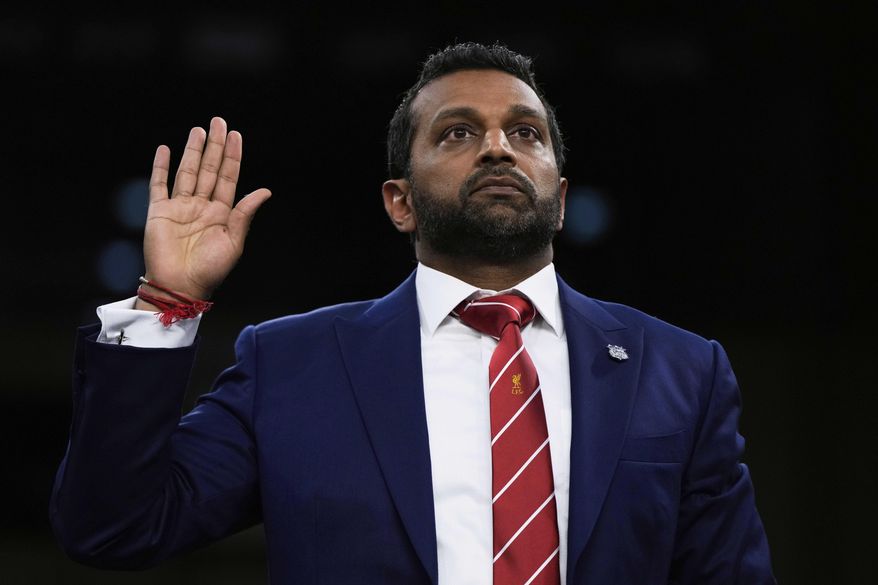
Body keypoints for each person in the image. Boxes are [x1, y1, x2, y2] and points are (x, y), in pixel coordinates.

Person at [51, 42, 775, 584]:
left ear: (558, 198)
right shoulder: (293, 364)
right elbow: (113, 525)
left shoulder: (682, 368)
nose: (498, 146)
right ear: (399, 202)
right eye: (457, 133)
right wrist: (167, 300)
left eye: (526, 133)